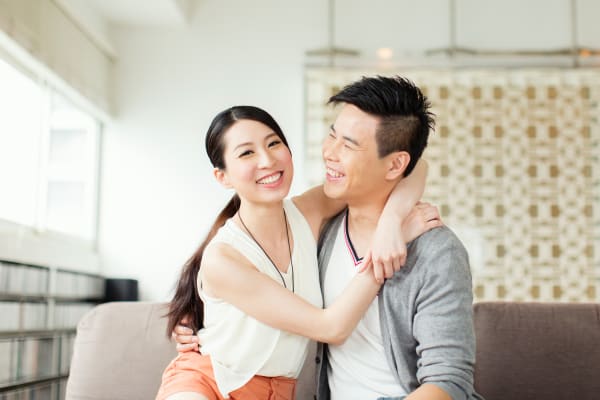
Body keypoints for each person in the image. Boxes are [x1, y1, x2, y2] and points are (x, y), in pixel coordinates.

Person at [174, 76, 483, 400]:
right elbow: (327, 326)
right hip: (210, 384)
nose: (329, 153)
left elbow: (449, 382)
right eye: (331, 136)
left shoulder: (434, 251)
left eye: (348, 145)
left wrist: (391, 224)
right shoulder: (320, 227)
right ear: (222, 175)